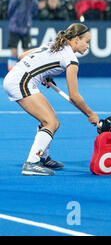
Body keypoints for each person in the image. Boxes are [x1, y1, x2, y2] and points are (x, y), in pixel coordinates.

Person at [3, 23, 99, 176]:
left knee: (50, 119)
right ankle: (32, 162)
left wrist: (45, 74)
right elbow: (74, 96)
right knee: (51, 122)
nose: (88, 46)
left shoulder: (53, 45)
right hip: (21, 81)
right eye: (86, 42)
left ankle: (43, 157)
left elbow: (22, 56)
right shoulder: (71, 59)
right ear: (75, 39)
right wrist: (90, 114)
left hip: (17, 77)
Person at [7, 0, 38, 71]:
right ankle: (11, 71)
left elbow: (34, 13)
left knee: (27, 52)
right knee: (13, 51)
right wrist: (15, 21)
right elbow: (10, 11)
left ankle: (25, 71)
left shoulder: (34, 2)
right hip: (14, 29)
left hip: (26, 30)